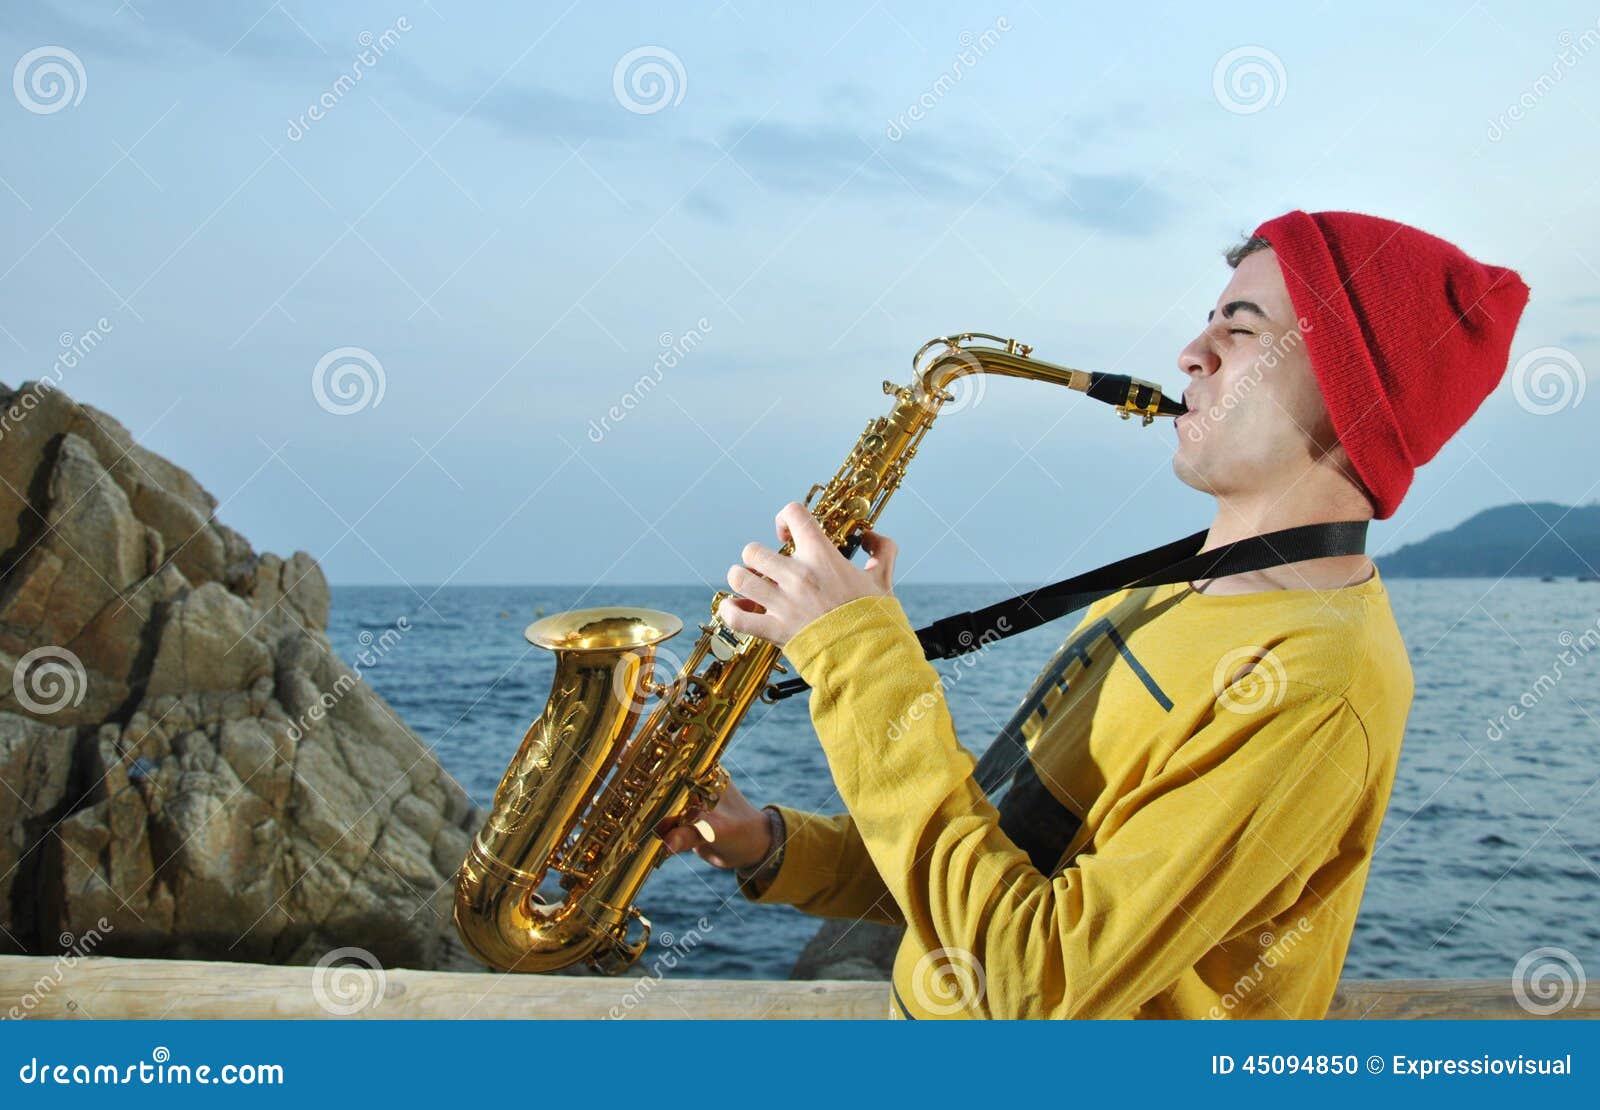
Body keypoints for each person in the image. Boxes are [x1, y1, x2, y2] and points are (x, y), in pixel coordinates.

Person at [662, 209, 1530, 1019]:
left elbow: (1035, 983)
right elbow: (993, 867)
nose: (1190, 354)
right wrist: (770, 844)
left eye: (1240, 330)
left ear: (1354, 392)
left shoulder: (1316, 685)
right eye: (1207, 323)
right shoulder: (1165, 593)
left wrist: (856, 657)